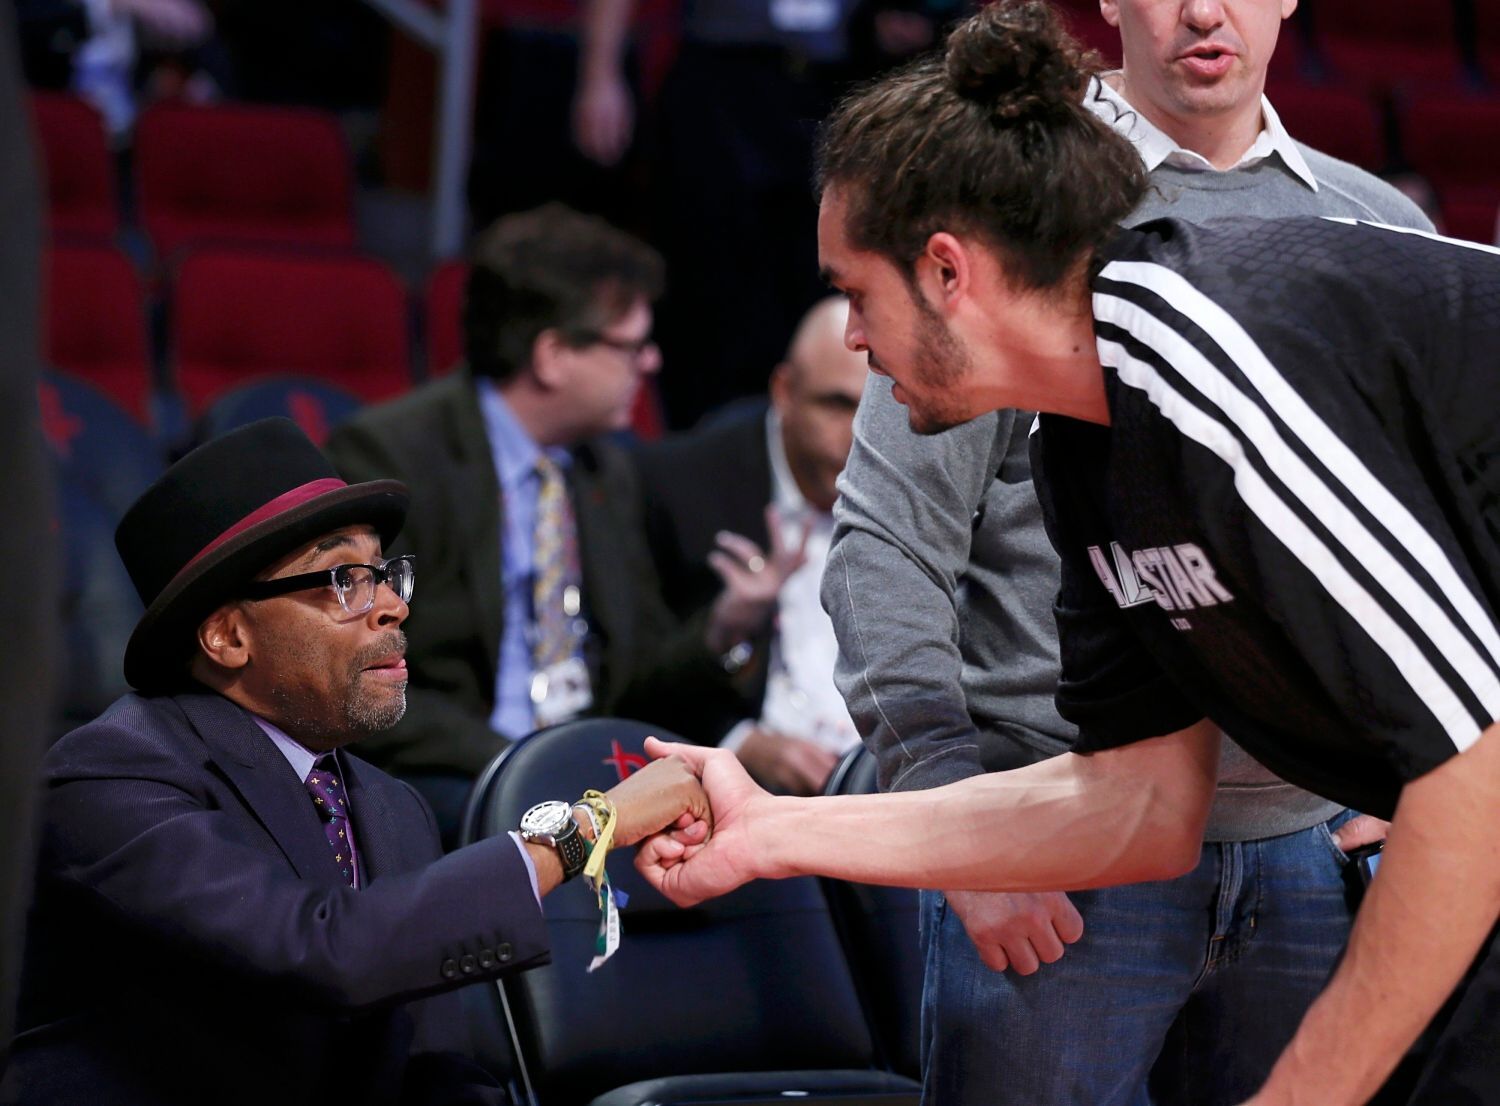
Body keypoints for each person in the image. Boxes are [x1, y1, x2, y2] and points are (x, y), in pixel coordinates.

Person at [633, 4, 1500, 1104]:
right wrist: (775, 828)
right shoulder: (1090, 457)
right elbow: (1136, 802)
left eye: (856, 295)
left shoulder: (1207, 356)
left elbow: (1476, 774)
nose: (848, 342)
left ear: (948, 272)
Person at [4, 418, 708, 1105]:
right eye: (342, 579)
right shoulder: (110, 776)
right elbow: (320, 951)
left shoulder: (388, 806)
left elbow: (432, 1064)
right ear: (226, 635)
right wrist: (589, 827)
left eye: (384, 575)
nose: (391, 609)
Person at [326, 203, 751, 846]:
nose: (652, 363)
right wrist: (526, 765)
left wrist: (725, 630)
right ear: (552, 356)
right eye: (631, 344)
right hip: (453, 773)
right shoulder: (394, 458)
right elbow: (363, 673)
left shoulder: (602, 470)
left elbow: (637, 677)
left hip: (582, 772)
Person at [637, 296, 867, 795]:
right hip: (745, 789)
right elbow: (635, 684)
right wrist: (738, 742)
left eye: (876, 409)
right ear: (784, 392)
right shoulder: (678, 488)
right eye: (838, 405)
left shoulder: (914, 478)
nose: (858, 436)